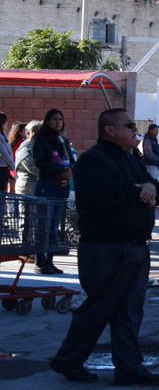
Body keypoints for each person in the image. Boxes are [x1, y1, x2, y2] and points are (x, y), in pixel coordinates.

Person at [50, 108, 159, 385]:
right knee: (100, 307)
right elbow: (103, 194)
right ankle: (69, 359)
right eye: (128, 126)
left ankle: (129, 367)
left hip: (135, 245)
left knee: (129, 310)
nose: (135, 130)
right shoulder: (93, 160)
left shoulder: (131, 158)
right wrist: (138, 190)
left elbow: (152, 186)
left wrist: (150, 189)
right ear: (109, 130)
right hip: (106, 247)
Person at [32, 109, 75, 274]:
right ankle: (40, 260)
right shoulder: (41, 139)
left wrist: (69, 171)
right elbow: (39, 162)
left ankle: (50, 260)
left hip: (61, 186)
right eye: (54, 119)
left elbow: (71, 161)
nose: (58, 122)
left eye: (60, 119)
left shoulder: (62, 140)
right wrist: (60, 171)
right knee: (44, 224)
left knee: (54, 225)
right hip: (47, 184)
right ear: (47, 121)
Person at [12, 120, 41, 196]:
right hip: (27, 187)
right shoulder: (26, 148)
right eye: (37, 133)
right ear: (28, 133)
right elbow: (32, 168)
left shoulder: (39, 146)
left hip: (36, 186)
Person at [0, 112, 14, 193]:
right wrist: (12, 165)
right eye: (6, 122)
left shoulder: (3, 134)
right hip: (1, 168)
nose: (7, 124)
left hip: (5, 167)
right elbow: (3, 153)